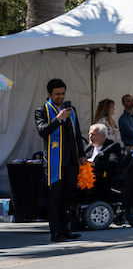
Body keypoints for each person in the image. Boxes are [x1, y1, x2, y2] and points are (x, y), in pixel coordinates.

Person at [34, 79, 86, 242]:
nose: (61, 97)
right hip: (54, 162)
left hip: (71, 160)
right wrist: (58, 118)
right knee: (55, 197)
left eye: (63, 93)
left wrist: (82, 154)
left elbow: (77, 134)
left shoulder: (71, 110)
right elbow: (42, 131)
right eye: (57, 94)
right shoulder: (42, 111)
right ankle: (55, 232)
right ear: (49, 94)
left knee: (67, 197)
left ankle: (65, 229)